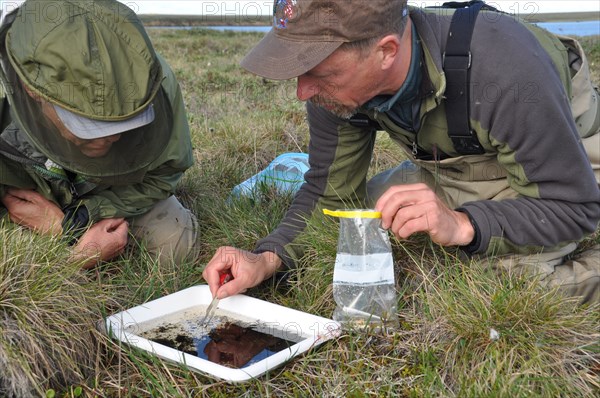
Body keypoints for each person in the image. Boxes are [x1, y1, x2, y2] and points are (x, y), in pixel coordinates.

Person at [203, 0, 600, 304]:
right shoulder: (333, 92)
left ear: (386, 51)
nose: (302, 91)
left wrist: (463, 225)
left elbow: (570, 204)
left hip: (567, 159)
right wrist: (267, 259)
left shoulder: (505, 68)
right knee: (353, 227)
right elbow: (329, 193)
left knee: (504, 284)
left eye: (317, 72)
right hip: (453, 163)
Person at [0, 0, 197, 268]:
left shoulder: (152, 85)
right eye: (89, 126)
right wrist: (69, 250)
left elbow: (163, 175)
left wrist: (76, 221)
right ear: (31, 89)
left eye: (124, 124)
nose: (111, 138)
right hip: (28, 202)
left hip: (113, 195)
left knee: (176, 244)